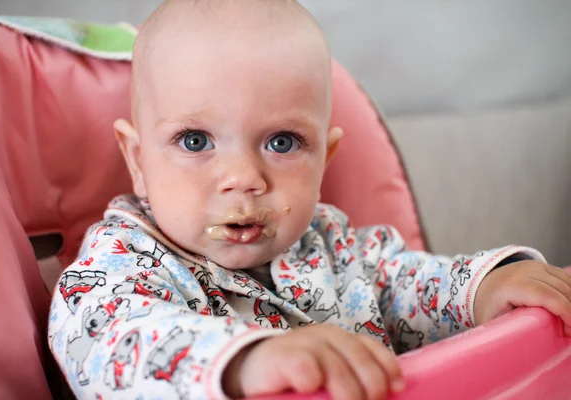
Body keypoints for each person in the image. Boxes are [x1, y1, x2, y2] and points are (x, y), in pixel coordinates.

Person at [47, 1, 571, 399]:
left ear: (326, 158)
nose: (244, 178)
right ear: (138, 160)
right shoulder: (118, 265)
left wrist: (486, 288)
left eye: (281, 143)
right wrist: (243, 362)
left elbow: (408, 285)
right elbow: (114, 343)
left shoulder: (335, 244)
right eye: (195, 141)